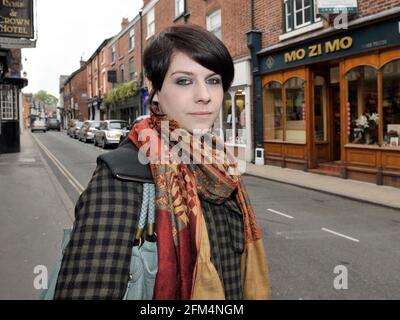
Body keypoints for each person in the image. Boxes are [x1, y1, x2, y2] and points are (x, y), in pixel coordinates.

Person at [53, 25, 270, 300]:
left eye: (213, 80)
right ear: (154, 91)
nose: (204, 95)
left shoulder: (221, 167)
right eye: (184, 81)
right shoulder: (121, 178)